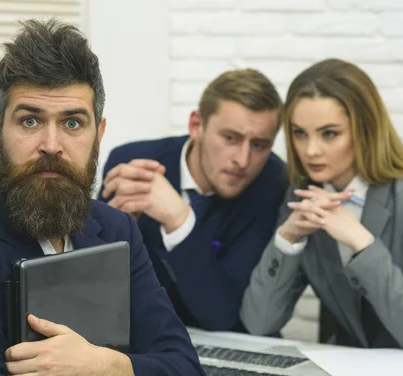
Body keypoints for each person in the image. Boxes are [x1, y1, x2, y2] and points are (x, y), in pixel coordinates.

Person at [0, 19, 209, 376]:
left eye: (72, 122)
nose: (51, 144)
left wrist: (101, 366)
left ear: (98, 134)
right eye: (30, 120)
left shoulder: (117, 230)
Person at [240, 58, 403, 358]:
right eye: (299, 133)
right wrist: (287, 239)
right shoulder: (300, 198)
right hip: (362, 370)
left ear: (365, 130)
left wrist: (360, 241)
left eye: (329, 134)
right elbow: (259, 324)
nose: (310, 150)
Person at [98, 69, 287, 332]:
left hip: (226, 349)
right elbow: (99, 300)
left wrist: (180, 221)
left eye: (259, 145)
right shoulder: (131, 162)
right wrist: (116, 238)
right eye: (230, 138)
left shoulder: (272, 183)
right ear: (196, 126)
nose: (243, 160)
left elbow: (224, 317)